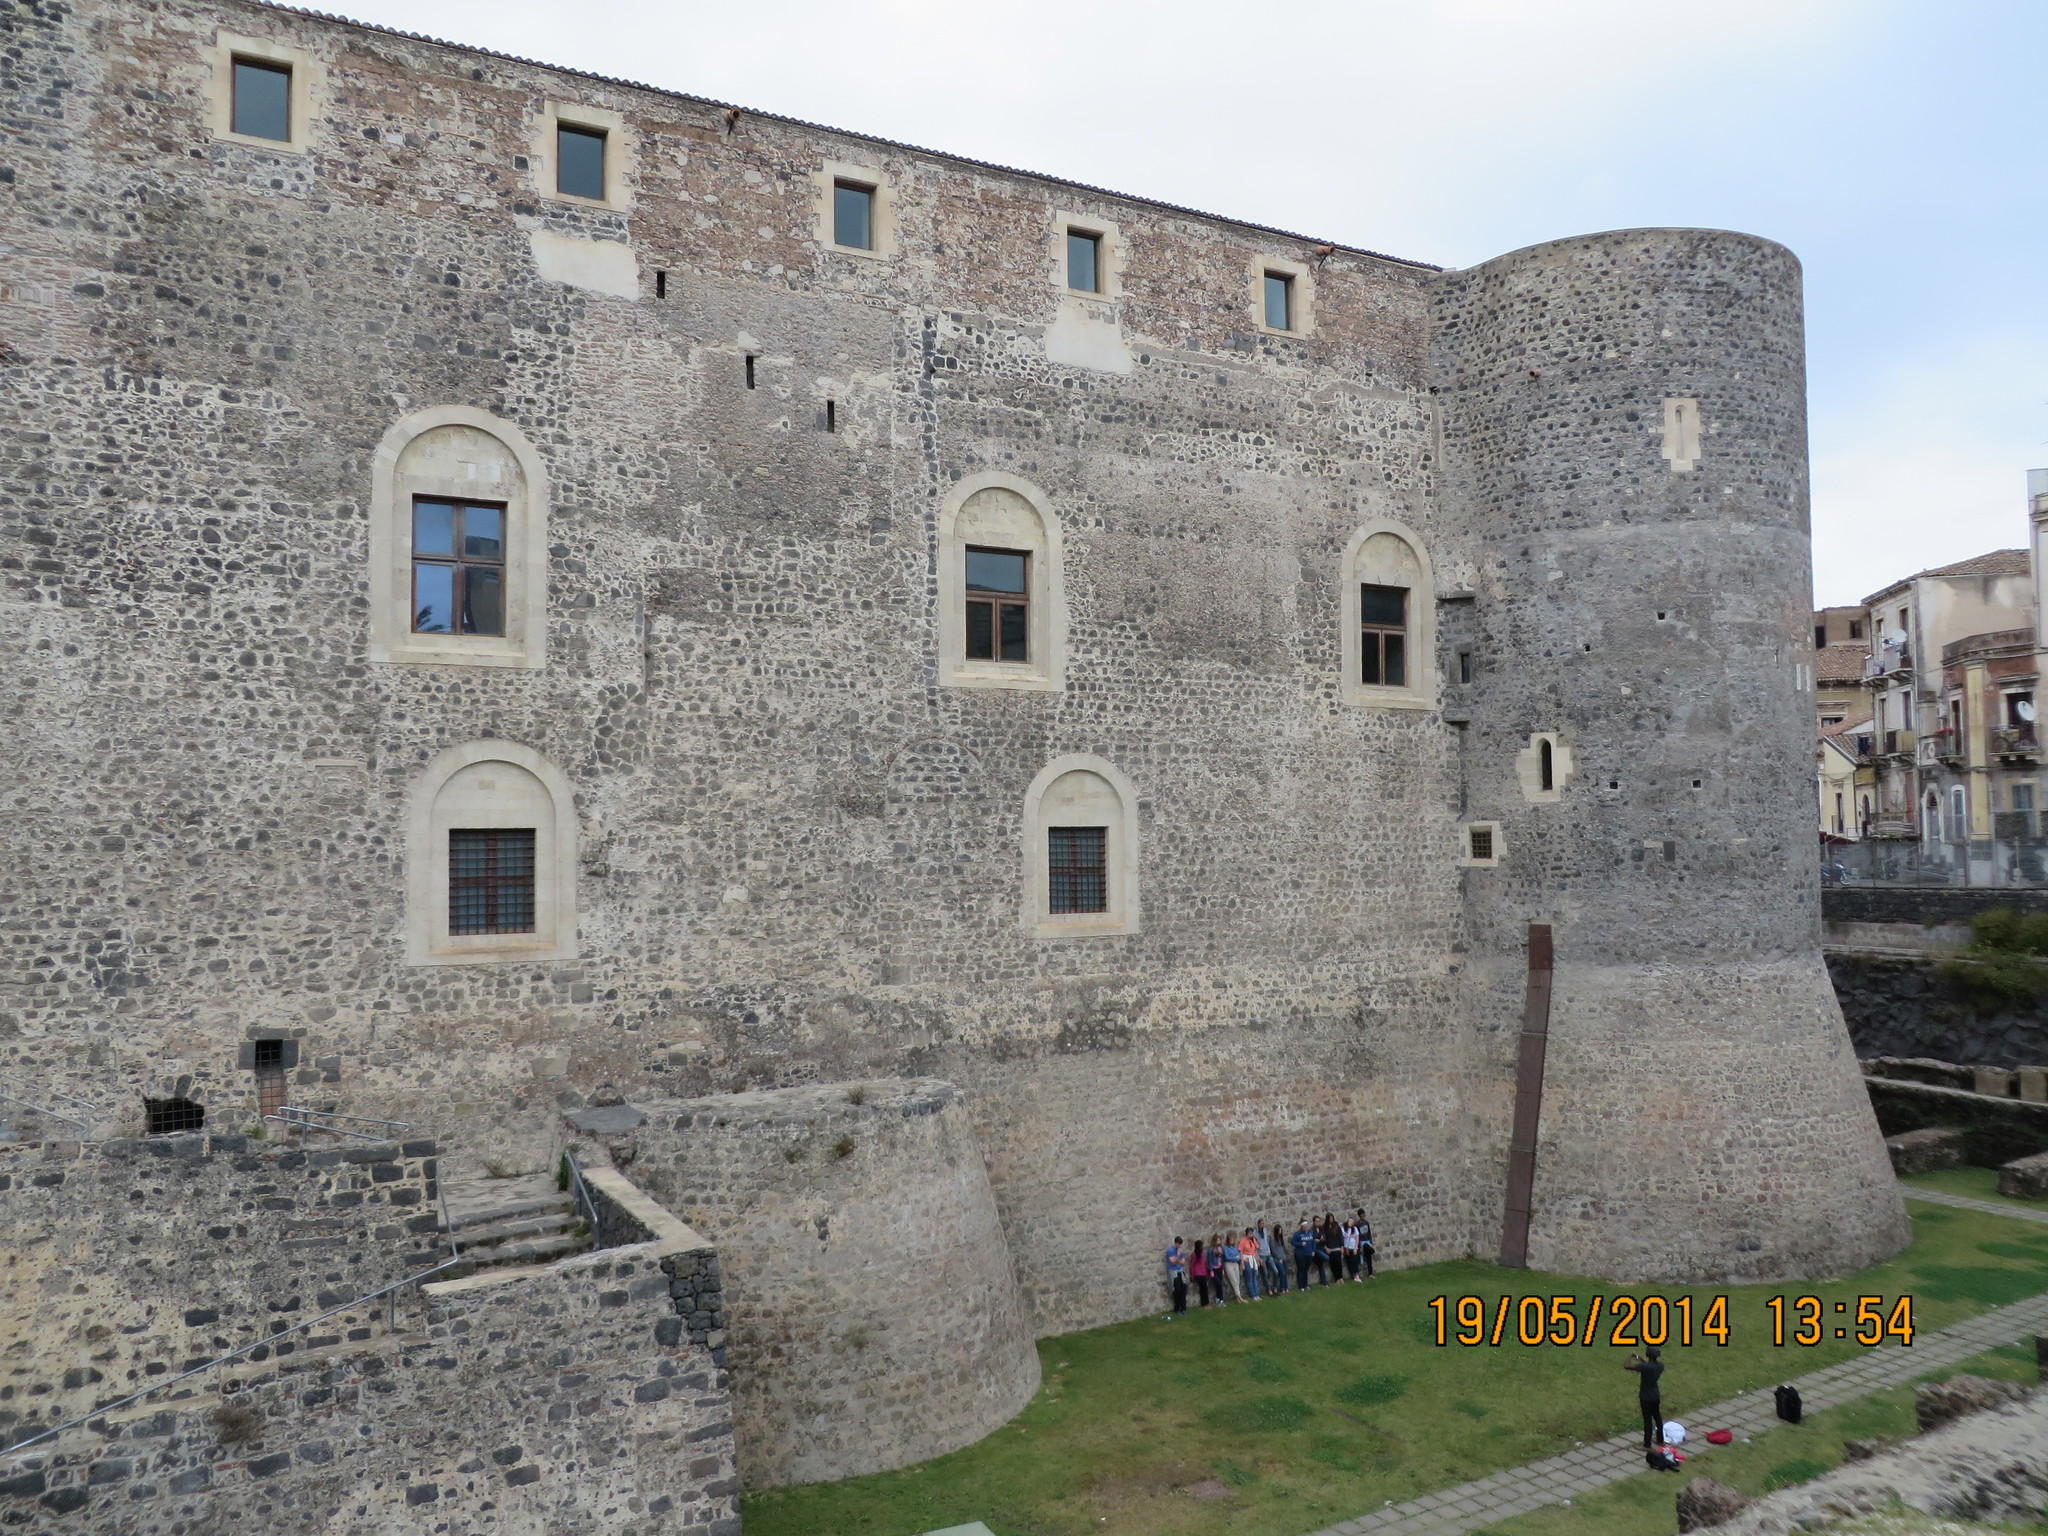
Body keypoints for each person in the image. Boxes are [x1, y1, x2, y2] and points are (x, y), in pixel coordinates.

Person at [1625, 1346, 1667, 1450]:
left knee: (1647, 1420)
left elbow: (1627, 1366)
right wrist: (1639, 1357)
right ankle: (1660, 1440)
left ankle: (1647, 1444)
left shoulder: (1646, 1367)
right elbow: (1646, 1365)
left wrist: (1630, 1357)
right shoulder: (1660, 1365)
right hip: (1655, 1395)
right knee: (1657, 1417)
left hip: (1646, 1397)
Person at [1165, 1236, 1188, 1318]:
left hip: (1180, 1271)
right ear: (1176, 1243)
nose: (1180, 1246)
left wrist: (1178, 1259)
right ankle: (1177, 1308)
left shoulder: (1180, 1250)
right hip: (1173, 1272)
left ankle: (1183, 1308)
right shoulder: (1170, 1250)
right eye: (1179, 1244)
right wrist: (1178, 1256)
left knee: (1184, 1288)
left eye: (1181, 1245)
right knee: (1177, 1289)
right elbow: (1173, 1262)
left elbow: (1183, 1262)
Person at [1291, 1218, 1317, 1291]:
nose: (1306, 1228)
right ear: (1301, 1227)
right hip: (1300, 1254)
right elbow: (1293, 1242)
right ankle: (1301, 1286)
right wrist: (1300, 1244)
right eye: (1304, 1227)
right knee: (1301, 1270)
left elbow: (1313, 1242)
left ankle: (1305, 1284)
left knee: (1306, 1270)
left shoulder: (1311, 1232)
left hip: (1309, 1254)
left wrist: (1313, 1251)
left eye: (1307, 1226)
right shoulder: (1297, 1234)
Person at [1212, 1230, 1238, 1302]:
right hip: (1214, 1268)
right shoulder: (1212, 1250)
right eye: (1217, 1240)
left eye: (1219, 1240)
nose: (1219, 1242)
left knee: (1220, 1284)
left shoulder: (1221, 1248)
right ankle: (1218, 1298)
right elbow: (1210, 1260)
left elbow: (1222, 1259)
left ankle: (1221, 1299)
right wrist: (1211, 1270)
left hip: (1220, 1267)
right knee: (1218, 1284)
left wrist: (1222, 1268)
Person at [1238, 1228, 1262, 1299]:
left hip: (1253, 1258)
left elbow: (1255, 1251)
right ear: (1247, 1233)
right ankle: (1253, 1295)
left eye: (1252, 1233)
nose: (1251, 1234)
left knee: (1254, 1278)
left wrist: (1258, 1259)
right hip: (1247, 1259)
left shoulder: (1253, 1240)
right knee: (1249, 1278)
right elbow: (1241, 1252)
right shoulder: (1243, 1241)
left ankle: (1256, 1294)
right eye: (1250, 1233)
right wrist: (1242, 1263)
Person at [1354, 1208, 1376, 1278]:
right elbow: (1358, 1235)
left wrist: (1371, 1242)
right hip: (1362, 1242)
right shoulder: (1357, 1224)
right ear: (1359, 1216)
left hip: (1367, 1241)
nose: (1363, 1217)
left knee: (1369, 1257)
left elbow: (1369, 1233)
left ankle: (1370, 1274)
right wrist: (1359, 1246)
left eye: (1364, 1215)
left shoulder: (1366, 1223)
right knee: (1370, 1251)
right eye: (1362, 1216)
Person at [1190, 1238, 1210, 1307]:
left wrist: (1207, 1274)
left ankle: (1206, 1303)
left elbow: (1205, 1265)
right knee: (1203, 1288)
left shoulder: (1203, 1254)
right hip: (1198, 1274)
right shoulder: (1194, 1255)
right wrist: (1192, 1276)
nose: (1202, 1247)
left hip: (1203, 1273)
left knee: (1205, 1288)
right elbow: (1192, 1266)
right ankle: (1204, 1303)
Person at [1341, 1217, 1362, 1281]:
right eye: (1350, 1221)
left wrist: (1356, 1248)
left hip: (1353, 1247)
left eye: (1352, 1222)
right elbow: (1343, 1239)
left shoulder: (1355, 1229)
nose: (1351, 1223)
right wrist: (1345, 1248)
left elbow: (1357, 1238)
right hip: (1347, 1248)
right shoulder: (1343, 1229)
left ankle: (1357, 1275)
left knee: (1354, 1261)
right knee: (1349, 1262)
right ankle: (1353, 1275)